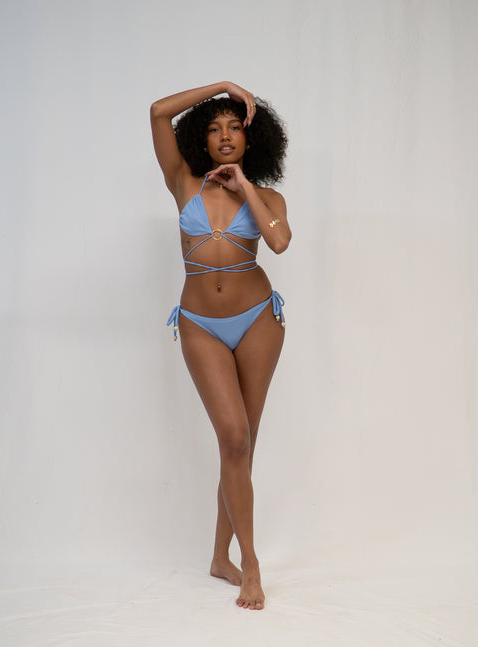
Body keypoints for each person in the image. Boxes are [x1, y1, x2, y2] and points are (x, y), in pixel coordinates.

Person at [150, 81, 291, 610]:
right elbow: (157, 112)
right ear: (201, 140)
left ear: (251, 139)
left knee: (240, 446)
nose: (225, 135)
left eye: (235, 126)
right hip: (200, 325)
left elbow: (278, 241)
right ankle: (250, 564)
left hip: (258, 321)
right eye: (214, 128)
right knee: (233, 436)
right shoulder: (183, 182)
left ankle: (220, 557)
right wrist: (223, 87)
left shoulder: (268, 197)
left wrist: (244, 185)